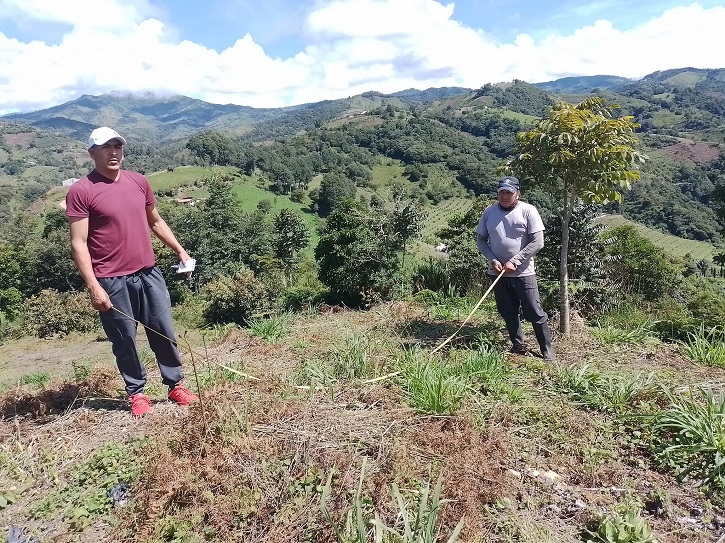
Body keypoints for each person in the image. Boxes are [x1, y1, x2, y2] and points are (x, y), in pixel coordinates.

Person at [66, 126, 199, 416]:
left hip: (148, 272)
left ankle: (175, 385)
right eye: (106, 147)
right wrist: (93, 286)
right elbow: (78, 243)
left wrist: (180, 251)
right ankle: (137, 393)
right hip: (111, 279)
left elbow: (156, 221)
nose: (113, 152)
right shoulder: (82, 190)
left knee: (163, 331)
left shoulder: (138, 182)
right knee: (124, 339)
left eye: (117, 147)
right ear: (92, 153)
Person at [475, 176, 555, 360]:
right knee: (507, 310)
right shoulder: (489, 212)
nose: (504, 196)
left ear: (517, 193)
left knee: (534, 311)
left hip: (523, 273)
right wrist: (492, 259)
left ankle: (547, 351)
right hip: (498, 273)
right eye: (501, 192)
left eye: (509, 193)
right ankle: (517, 345)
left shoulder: (528, 211)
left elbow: (538, 242)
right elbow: (481, 240)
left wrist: (516, 261)